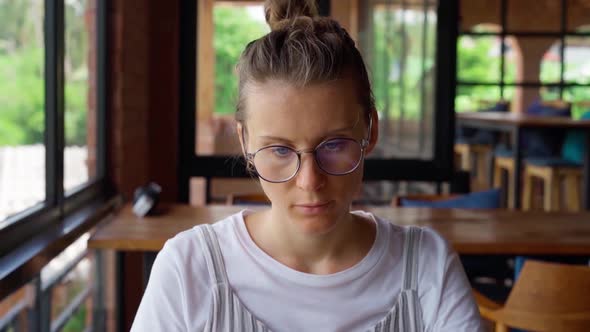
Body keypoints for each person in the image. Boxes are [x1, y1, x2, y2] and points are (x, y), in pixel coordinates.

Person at [131, 0, 484, 331]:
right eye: (280, 150)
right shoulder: (189, 269)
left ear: (370, 130)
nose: (310, 181)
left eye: (333, 145)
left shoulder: (427, 268)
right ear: (245, 141)